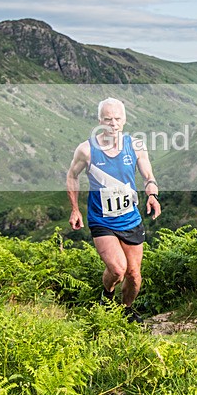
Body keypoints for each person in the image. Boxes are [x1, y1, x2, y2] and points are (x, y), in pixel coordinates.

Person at [67, 97, 161, 324]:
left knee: (134, 275)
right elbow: (72, 176)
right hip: (102, 221)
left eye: (117, 119)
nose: (113, 124)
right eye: (108, 119)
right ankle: (107, 297)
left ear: (125, 120)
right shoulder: (87, 150)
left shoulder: (136, 146)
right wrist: (75, 209)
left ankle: (125, 310)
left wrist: (152, 195)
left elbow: (148, 176)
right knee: (118, 270)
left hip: (130, 218)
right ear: (100, 120)